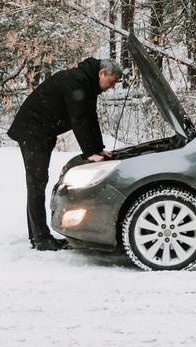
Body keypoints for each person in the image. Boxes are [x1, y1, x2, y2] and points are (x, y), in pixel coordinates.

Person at [7, 57, 123, 250]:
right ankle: (40, 238)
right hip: (32, 131)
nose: (110, 87)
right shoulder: (76, 81)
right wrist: (89, 153)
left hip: (43, 132)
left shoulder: (87, 83)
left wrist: (97, 149)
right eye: (110, 82)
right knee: (37, 182)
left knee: (38, 182)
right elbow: (78, 118)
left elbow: (90, 116)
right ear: (102, 73)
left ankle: (38, 235)